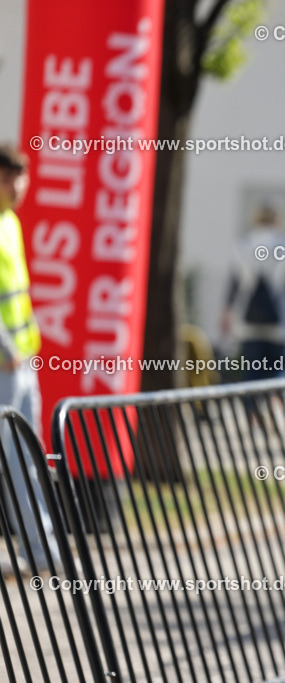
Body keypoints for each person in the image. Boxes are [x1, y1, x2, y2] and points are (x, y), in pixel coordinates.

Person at [0, 143, 62, 575]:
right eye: (11, 178)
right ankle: (40, 550)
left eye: (21, 177)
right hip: (5, 363)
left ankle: (41, 551)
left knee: (26, 459)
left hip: (23, 363)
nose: (20, 186)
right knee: (17, 460)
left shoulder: (11, 222)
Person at [221, 204, 285, 381]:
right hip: (281, 320)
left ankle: (252, 408)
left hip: (248, 322)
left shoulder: (243, 244)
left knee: (252, 373)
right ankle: (274, 407)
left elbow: (234, 283)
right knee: (277, 374)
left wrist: (226, 313)